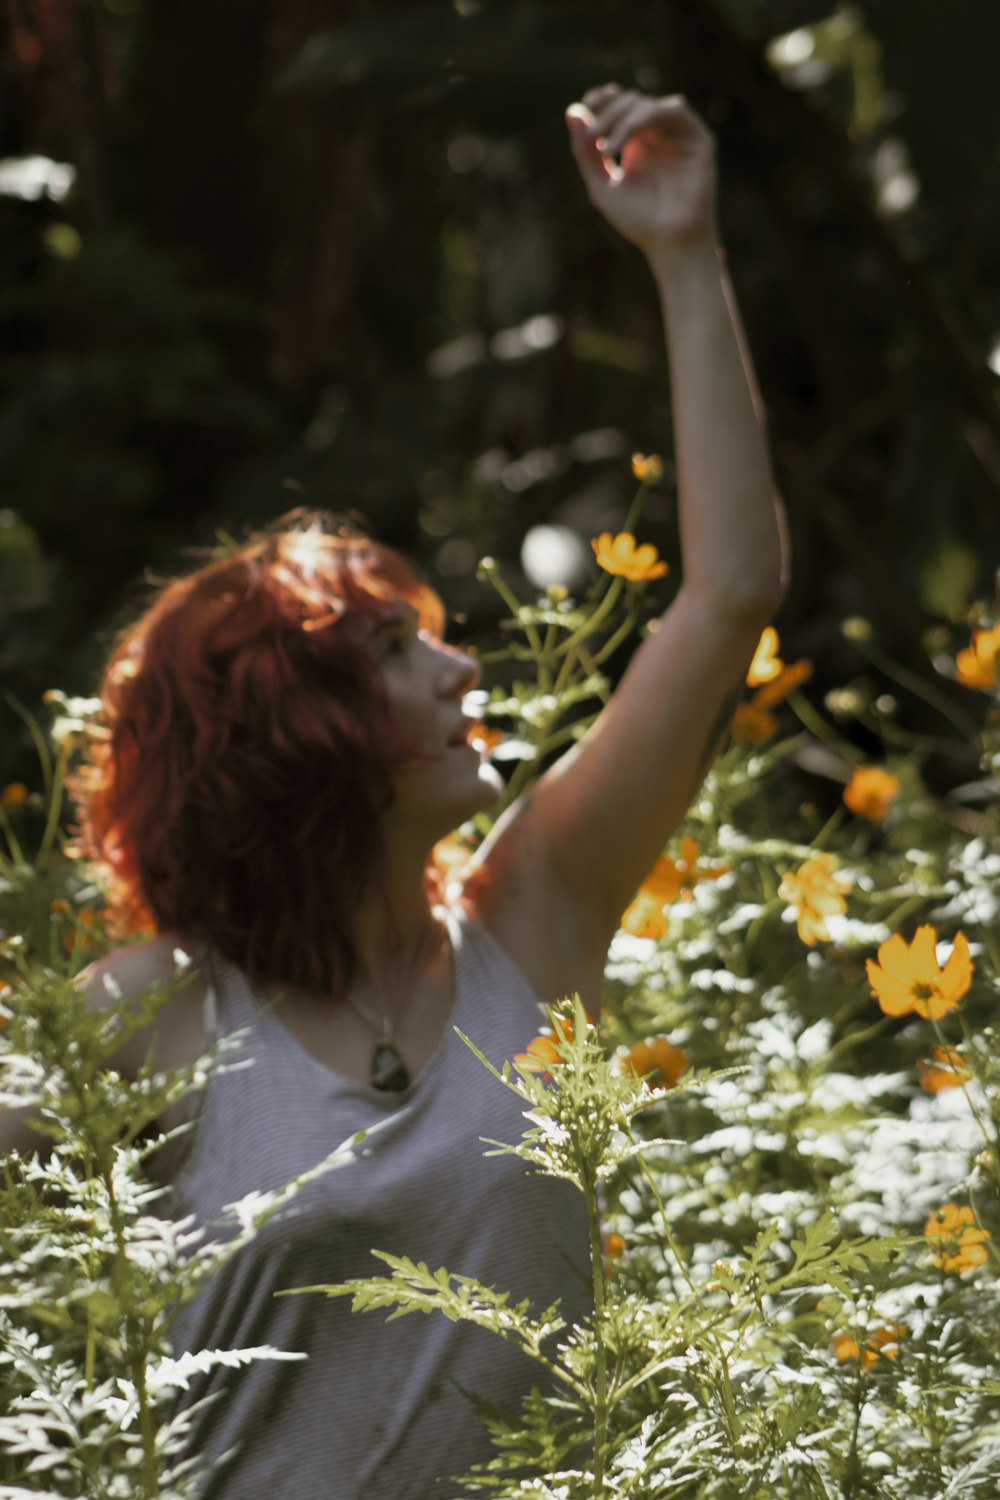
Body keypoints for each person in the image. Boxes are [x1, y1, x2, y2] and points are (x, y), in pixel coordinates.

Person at [1, 84, 787, 1498]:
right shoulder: (160, 1008)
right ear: (291, 731)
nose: (455, 665)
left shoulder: (533, 926)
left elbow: (729, 593)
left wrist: (684, 254)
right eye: (392, 651)